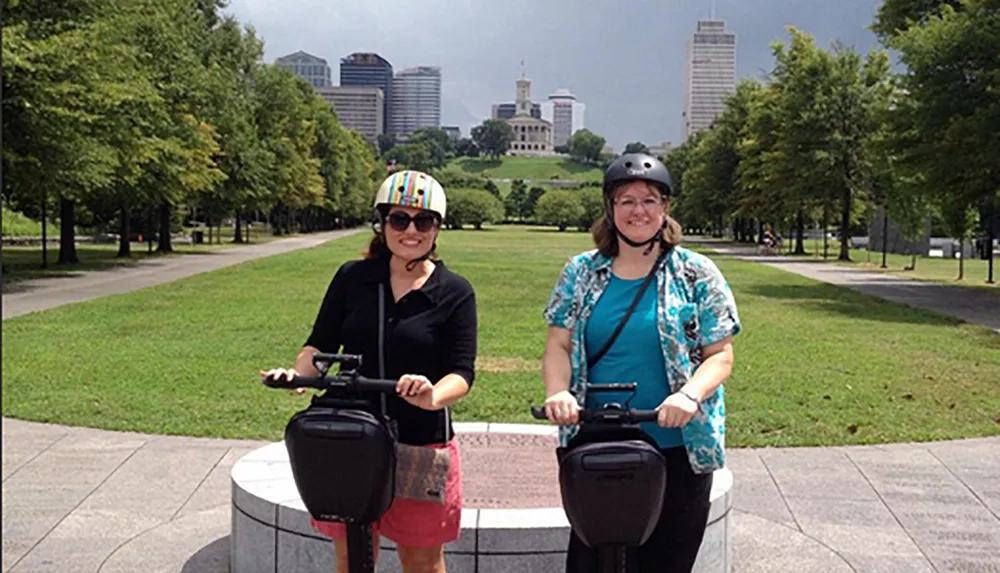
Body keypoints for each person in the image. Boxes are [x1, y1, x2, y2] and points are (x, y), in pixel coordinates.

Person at [261, 170, 477, 573]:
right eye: (399, 219)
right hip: (350, 437)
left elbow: (461, 371)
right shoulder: (353, 279)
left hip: (419, 440)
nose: (411, 231)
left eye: (423, 221)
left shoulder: (454, 291)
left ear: (437, 228)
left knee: (423, 559)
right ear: (382, 223)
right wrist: (297, 375)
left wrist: (432, 395)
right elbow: (318, 343)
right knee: (353, 556)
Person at [540, 153, 741, 573]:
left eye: (649, 200)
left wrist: (689, 394)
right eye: (626, 200)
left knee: (666, 564)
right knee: (591, 563)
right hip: (598, 442)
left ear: (666, 208)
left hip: (679, 450)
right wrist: (557, 391)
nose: (638, 210)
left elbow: (719, 356)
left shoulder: (695, 273)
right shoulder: (580, 272)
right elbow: (558, 345)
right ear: (610, 210)